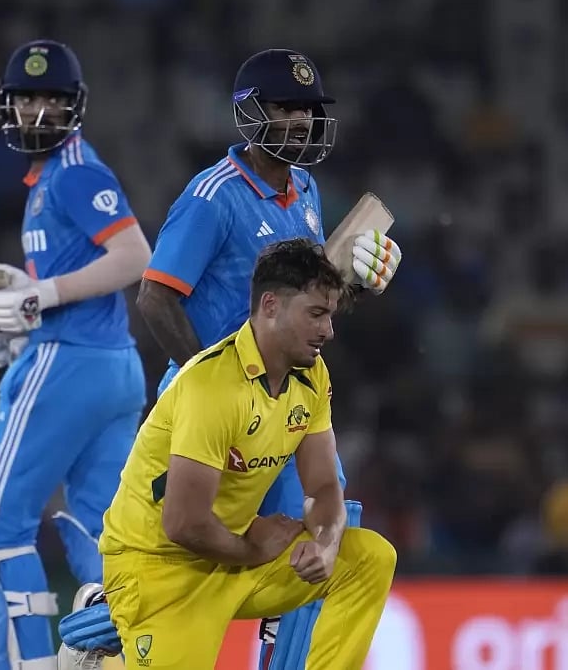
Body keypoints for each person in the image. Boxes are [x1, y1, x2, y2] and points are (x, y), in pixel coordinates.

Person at [135, 49, 402, 668]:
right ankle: (98, 627)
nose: (303, 121)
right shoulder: (213, 197)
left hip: (284, 401)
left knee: (326, 531)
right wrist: (218, 382)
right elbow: (155, 298)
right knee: (194, 560)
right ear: (250, 113)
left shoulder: (303, 187)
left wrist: (356, 278)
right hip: (216, 409)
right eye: (287, 108)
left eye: (309, 111)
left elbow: (306, 298)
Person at [80, 238, 397, 670]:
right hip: (161, 570)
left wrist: (324, 544)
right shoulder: (212, 386)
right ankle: (100, 654)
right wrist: (253, 548)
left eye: (331, 315)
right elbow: (183, 524)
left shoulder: (311, 375)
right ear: (270, 306)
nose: (328, 331)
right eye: (316, 314)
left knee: (369, 558)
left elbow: (323, 484)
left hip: (234, 554)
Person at [0, 39, 151, 670]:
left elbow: (134, 258)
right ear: (11, 106)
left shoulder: (74, 172)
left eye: (52, 99)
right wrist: (21, 303)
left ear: (76, 106)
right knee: (101, 536)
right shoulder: (52, 179)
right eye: (29, 98)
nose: (39, 111)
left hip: (69, 364)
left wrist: (37, 301)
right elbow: (78, 273)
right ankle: (113, 659)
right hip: (116, 371)